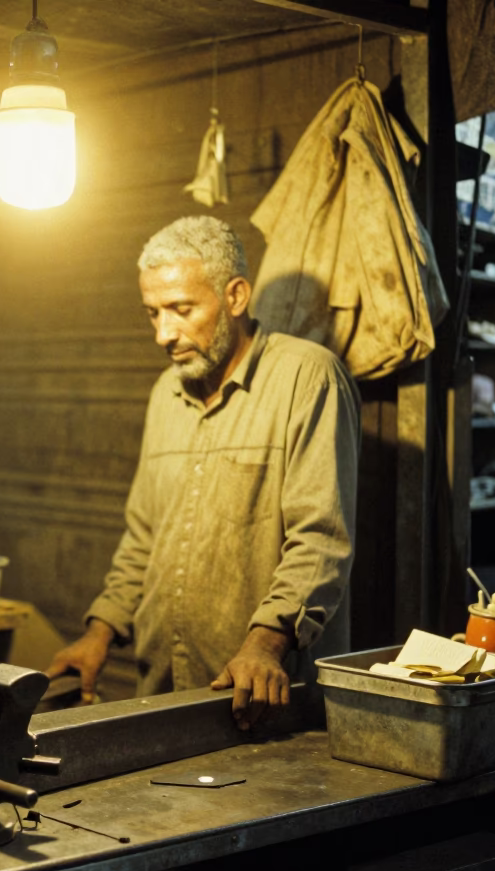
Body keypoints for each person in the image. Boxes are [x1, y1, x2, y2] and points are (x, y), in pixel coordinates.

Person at [46, 216, 360, 731]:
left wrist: (265, 644)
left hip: (260, 700)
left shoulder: (308, 378)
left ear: (235, 296)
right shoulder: (165, 395)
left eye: (181, 309)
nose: (163, 334)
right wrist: (100, 632)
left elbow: (320, 542)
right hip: (164, 693)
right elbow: (145, 535)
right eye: (152, 313)